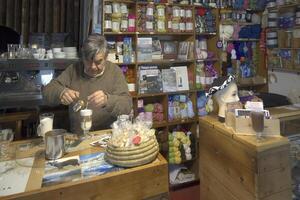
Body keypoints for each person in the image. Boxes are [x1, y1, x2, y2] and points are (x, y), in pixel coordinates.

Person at [43, 34, 132, 134]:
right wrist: (61, 92)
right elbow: (47, 91)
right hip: (78, 136)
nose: (93, 67)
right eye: (89, 61)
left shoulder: (114, 71)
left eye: (98, 62)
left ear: (106, 57)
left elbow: (127, 106)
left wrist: (108, 100)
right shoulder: (74, 70)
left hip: (106, 136)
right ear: (83, 58)